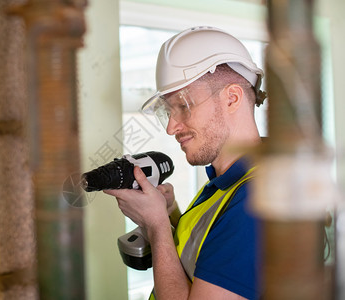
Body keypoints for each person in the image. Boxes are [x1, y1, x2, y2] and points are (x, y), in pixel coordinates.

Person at [104, 26, 267, 299]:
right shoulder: (227, 183)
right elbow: (202, 257)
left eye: (184, 106)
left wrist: (156, 224)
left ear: (232, 98)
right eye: (168, 110)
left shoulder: (257, 201)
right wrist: (170, 212)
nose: (171, 127)